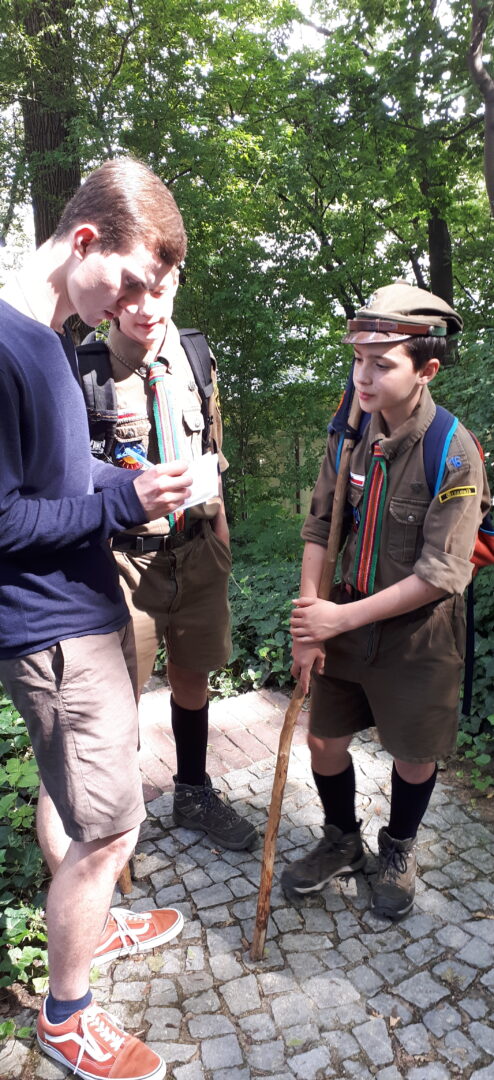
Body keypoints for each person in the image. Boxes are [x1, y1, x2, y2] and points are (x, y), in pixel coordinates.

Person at [0, 158, 199, 1080]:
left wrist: (129, 481)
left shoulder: (46, 335)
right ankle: (66, 1016)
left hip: (83, 610)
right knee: (107, 832)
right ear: (84, 240)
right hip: (50, 632)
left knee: (87, 799)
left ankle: (94, 923)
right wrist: (120, 506)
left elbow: (60, 476)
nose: (131, 306)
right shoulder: (7, 345)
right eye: (127, 283)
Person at [284, 281, 491, 920]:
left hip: (420, 632)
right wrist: (311, 624)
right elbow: (320, 526)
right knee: (325, 741)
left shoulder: (453, 451)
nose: (363, 377)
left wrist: (336, 618)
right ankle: (342, 840)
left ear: (426, 370)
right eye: (357, 360)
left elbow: (443, 573)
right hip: (343, 618)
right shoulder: (347, 432)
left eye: (381, 363)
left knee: (413, 754)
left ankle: (398, 847)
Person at [77, 271, 257, 851]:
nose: (144, 307)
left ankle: (193, 792)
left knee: (192, 677)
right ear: (109, 297)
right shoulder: (85, 371)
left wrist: (220, 533)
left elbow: (212, 450)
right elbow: (69, 479)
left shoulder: (195, 357)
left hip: (198, 552)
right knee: (115, 700)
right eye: (128, 294)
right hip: (122, 566)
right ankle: (112, 826)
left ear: (176, 282)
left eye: (156, 290)